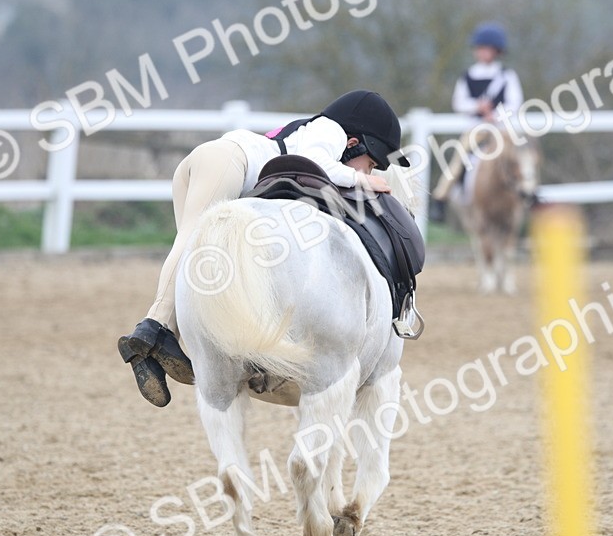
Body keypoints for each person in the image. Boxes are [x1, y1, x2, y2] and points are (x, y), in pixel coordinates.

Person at [117, 89, 411, 408]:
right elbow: (319, 162)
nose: (367, 172)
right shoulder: (330, 131)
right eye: (368, 164)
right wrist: (359, 181)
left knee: (201, 267)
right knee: (194, 250)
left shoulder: (313, 132)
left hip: (209, 164)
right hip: (228, 162)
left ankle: (167, 339)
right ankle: (153, 328)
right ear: (355, 142)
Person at [428, 22, 524, 223]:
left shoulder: (507, 76)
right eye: (480, 49)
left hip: (500, 129)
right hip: (477, 128)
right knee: (457, 160)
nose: (483, 53)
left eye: (487, 49)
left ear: (496, 51)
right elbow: (459, 102)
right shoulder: (468, 76)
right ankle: (441, 197)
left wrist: (496, 115)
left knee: (520, 158)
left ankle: (526, 192)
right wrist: (476, 108)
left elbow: (514, 102)